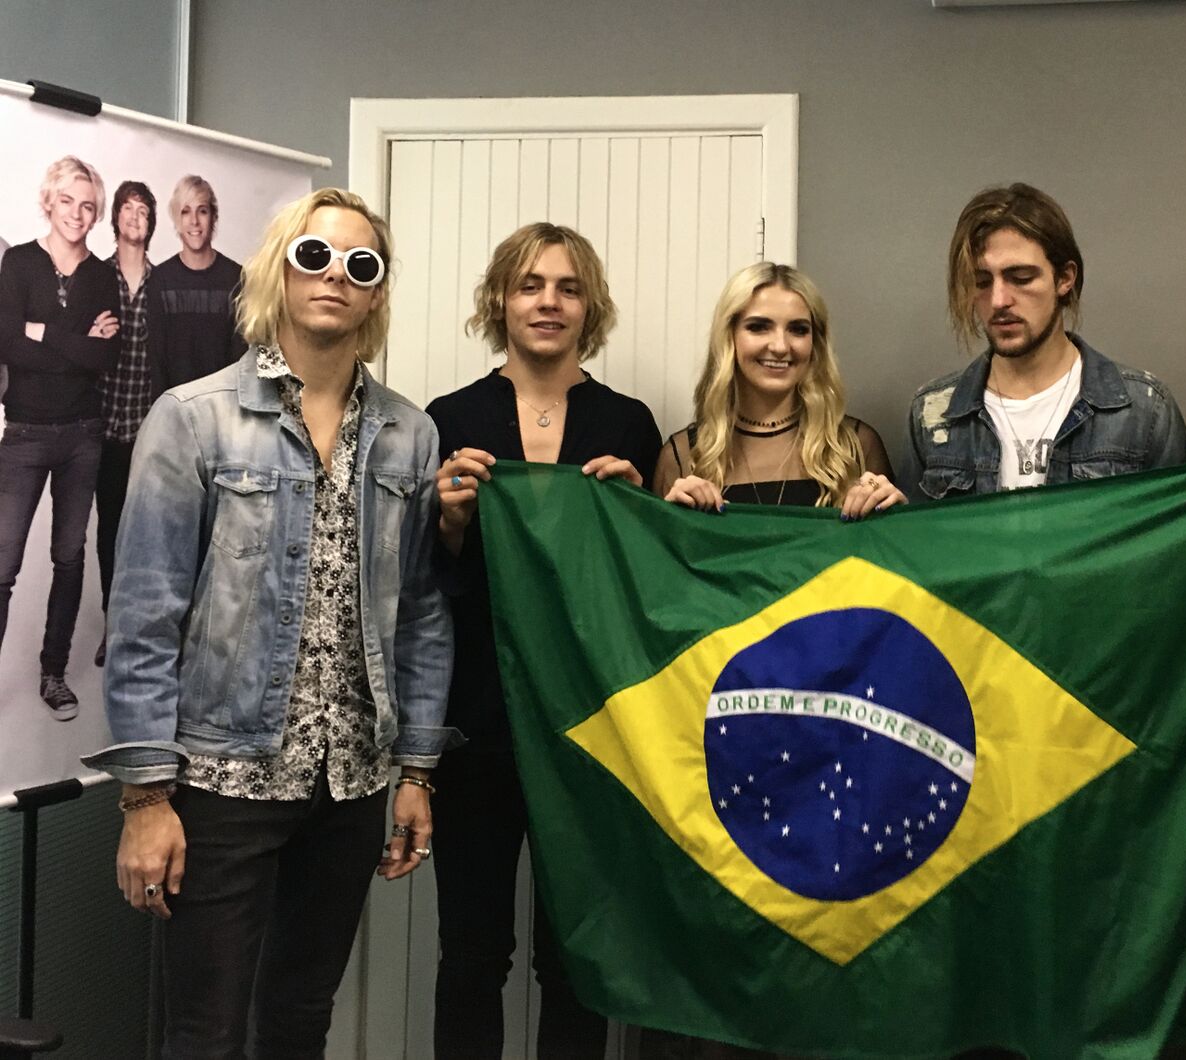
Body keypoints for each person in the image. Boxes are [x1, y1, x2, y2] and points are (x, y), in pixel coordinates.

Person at [83, 187, 455, 1057]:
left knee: (298, 1023)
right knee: (203, 1032)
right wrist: (145, 798)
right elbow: (142, 620)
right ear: (277, 271)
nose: (335, 275)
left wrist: (418, 772)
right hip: (221, 782)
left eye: (360, 263)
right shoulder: (192, 418)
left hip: (349, 783)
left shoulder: (410, 436)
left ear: (376, 291)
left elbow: (421, 616)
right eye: (313, 255)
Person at [427, 222, 659, 1058]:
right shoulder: (449, 418)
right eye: (530, 285)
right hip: (477, 723)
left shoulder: (628, 424)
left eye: (567, 287)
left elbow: (646, 590)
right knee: (471, 954)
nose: (548, 302)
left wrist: (633, 513)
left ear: (590, 306)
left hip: (589, 726)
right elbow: (421, 586)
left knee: (574, 961)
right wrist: (451, 524)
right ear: (500, 299)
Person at [905, 183, 1186, 499]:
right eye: (981, 282)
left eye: (1021, 278)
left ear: (1065, 278)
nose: (998, 300)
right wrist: (882, 511)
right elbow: (917, 529)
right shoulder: (932, 413)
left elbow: (1179, 525)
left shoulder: (1144, 411)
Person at [0, 155, 120, 719]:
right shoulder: (19, 262)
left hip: (82, 436)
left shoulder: (102, 276)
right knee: (2, 565)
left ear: (97, 214)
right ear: (49, 201)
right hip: (24, 432)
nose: (77, 213)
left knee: (69, 559)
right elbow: (6, 344)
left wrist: (42, 331)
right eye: (68, 200)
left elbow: (104, 358)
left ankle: (54, 673)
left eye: (88, 205)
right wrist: (77, 340)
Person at [654, 261, 904, 516]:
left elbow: (888, 541)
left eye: (798, 330)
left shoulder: (856, 446)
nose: (780, 346)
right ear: (729, 336)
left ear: (815, 342)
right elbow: (658, 542)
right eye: (758, 327)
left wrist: (893, 510)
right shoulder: (682, 454)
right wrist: (672, 519)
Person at [93, 180, 159, 667]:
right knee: (109, 531)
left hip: (148, 428)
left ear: (151, 223)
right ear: (115, 217)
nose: (135, 217)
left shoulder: (164, 282)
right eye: (128, 209)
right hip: (100, 424)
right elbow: (72, 337)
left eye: (144, 211)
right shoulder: (96, 277)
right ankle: (112, 625)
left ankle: (143, 628)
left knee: (147, 532)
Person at [147, 174, 245, 395]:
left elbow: (241, 359)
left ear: (213, 217)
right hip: (174, 406)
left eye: (202, 211)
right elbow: (156, 361)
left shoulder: (235, 278)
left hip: (223, 405)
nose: (194, 221)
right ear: (176, 219)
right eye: (185, 211)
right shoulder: (160, 280)